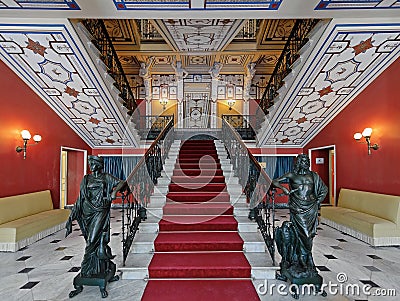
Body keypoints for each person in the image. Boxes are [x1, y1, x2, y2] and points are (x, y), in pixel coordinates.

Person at [65, 155, 129, 278]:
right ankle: (96, 267)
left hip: (100, 210)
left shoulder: (106, 177)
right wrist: (71, 217)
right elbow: (80, 198)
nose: (91, 166)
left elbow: (122, 182)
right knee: (90, 238)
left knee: (92, 239)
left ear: (98, 165)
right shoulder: (86, 178)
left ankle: (87, 268)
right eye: (89, 163)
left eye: (92, 163)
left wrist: (114, 192)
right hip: (87, 211)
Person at [272, 154, 327, 277]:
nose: (306, 163)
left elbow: (324, 189)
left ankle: (305, 260)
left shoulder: (314, 176)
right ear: (298, 162)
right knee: (304, 234)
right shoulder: (292, 175)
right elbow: (274, 181)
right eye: (303, 161)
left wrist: (317, 201)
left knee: (309, 234)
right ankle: (303, 259)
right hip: (298, 207)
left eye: (307, 161)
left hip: (311, 207)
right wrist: (283, 188)